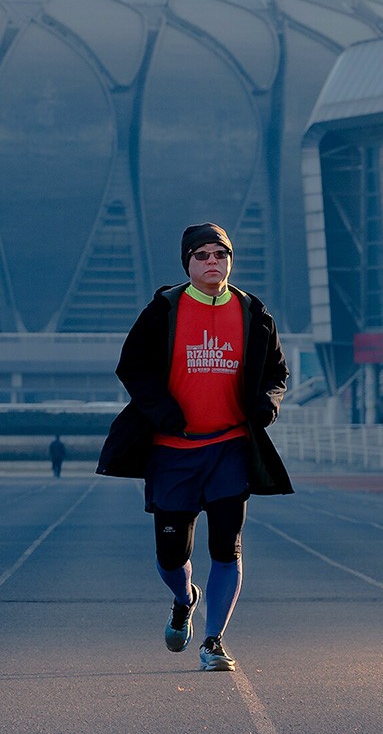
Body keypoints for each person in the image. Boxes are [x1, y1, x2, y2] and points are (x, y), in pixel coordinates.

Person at [97, 223, 291, 673]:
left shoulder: (252, 311)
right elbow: (132, 367)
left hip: (230, 447)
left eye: (219, 255)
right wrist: (162, 411)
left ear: (230, 261)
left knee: (227, 548)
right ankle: (185, 600)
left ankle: (214, 640)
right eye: (202, 255)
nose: (211, 263)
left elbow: (276, 373)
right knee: (171, 556)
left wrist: (266, 405)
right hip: (172, 452)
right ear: (187, 262)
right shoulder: (163, 310)